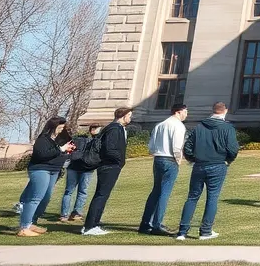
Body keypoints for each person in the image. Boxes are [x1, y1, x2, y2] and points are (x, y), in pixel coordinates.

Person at [176, 102, 239, 241]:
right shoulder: (227, 128)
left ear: (213, 110)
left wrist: (192, 158)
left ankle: (182, 231)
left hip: (199, 165)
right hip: (217, 164)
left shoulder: (199, 127)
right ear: (225, 111)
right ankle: (205, 231)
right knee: (212, 198)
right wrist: (228, 159)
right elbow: (233, 149)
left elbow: (188, 146)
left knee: (192, 197)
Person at [17, 117, 76, 237]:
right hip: (40, 170)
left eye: (63, 128)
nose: (61, 130)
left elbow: (58, 154)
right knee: (35, 198)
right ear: (52, 127)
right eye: (59, 128)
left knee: (45, 199)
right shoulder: (43, 140)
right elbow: (42, 155)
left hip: (54, 171)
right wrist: (60, 149)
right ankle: (24, 228)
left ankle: (32, 222)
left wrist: (66, 151)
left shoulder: (57, 140)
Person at [82, 107, 132, 236]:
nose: (130, 118)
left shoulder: (116, 128)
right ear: (123, 115)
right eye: (129, 115)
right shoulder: (115, 128)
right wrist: (119, 160)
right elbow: (110, 148)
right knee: (101, 195)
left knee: (102, 195)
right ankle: (90, 226)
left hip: (111, 165)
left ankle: (94, 223)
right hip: (109, 165)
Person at [139, 102, 187, 234]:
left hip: (158, 158)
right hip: (170, 159)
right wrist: (178, 160)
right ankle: (157, 224)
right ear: (178, 112)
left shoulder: (159, 125)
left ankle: (145, 223)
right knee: (164, 193)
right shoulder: (178, 126)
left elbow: (151, 146)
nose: (186, 115)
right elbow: (177, 146)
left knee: (155, 191)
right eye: (185, 112)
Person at [59, 124, 101, 223]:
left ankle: (64, 215)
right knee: (82, 191)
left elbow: (68, 152)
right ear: (93, 130)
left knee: (68, 191)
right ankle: (76, 213)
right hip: (87, 168)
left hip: (73, 166)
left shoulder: (77, 139)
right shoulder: (94, 141)